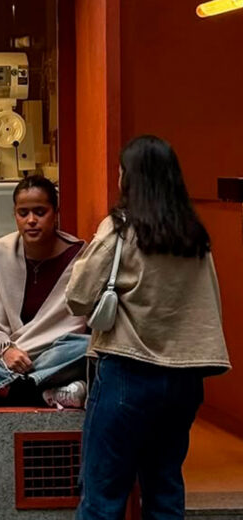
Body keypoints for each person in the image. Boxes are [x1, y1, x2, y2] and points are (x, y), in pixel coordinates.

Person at [66, 135, 231, 519]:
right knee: (165, 489)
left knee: (103, 496)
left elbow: (79, 294)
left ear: (131, 179)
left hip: (128, 370)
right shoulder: (194, 236)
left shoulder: (121, 228)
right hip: (185, 378)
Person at [0, 175, 89, 409]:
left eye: (40, 212)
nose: (31, 220)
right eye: (23, 213)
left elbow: (87, 319)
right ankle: (37, 392)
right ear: (15, 215)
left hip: (50, 358)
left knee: (88, 347)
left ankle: (6, 389)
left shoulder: (81, 259)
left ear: (55, 212)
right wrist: (5, 348)